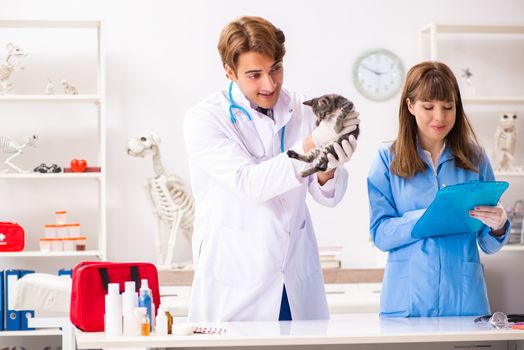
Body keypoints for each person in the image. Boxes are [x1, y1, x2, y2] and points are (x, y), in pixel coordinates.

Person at [183, 16, 359, 322]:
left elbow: (328, 197)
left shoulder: (304, 109)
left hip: (294, 276)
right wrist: (312, 145)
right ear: (229, 71)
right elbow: (249, 183)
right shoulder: (205, 119)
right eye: (255, 75)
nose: (270, 84)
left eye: (275, 68)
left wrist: (327, 170)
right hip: (236, 281)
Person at [367, 61, 509, 318]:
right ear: (410, 105)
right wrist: (428, 217)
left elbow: (487, 244)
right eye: (428, 107)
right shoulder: (386, 160)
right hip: (406, 302)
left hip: (465, 301)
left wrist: (498, 225)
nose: (440, 117)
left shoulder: (476, 158)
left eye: (448, 107)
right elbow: (381, 234)